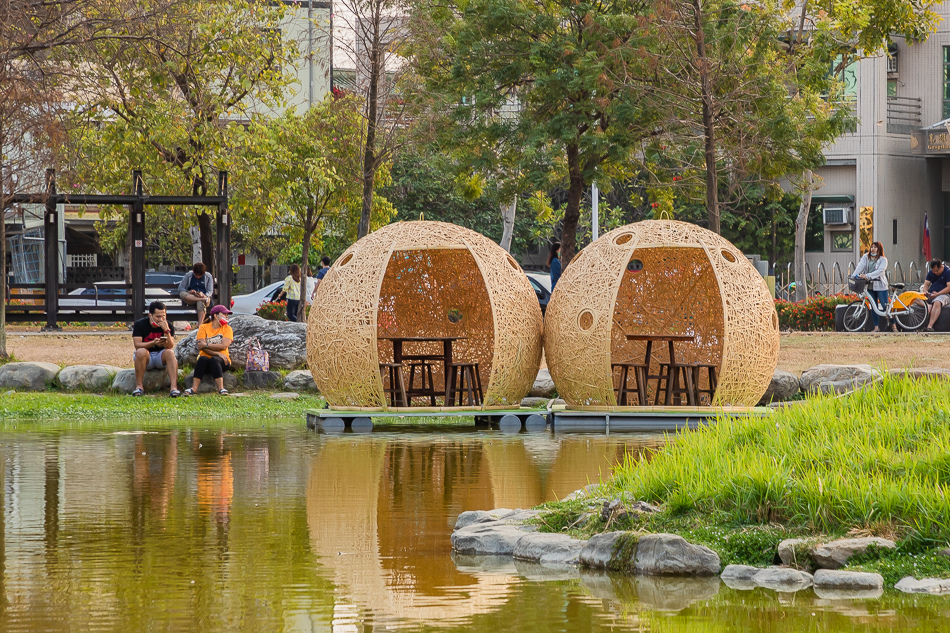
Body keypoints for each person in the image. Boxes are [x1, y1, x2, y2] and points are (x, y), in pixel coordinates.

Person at [132, 300, 180, 397]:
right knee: (141, 351)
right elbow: (137, 345)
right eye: (158, 316)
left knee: (170, 353)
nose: (161, 319)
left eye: (163, 316)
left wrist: (166, 331)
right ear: (150, 315)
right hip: (146, 357)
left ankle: (174, 388)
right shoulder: (140, 324)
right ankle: (139, 387)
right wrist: (153, 343)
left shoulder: (168, 325)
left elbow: (170, 346)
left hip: (160, 356)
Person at [184, 305, 233, 396]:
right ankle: (193, 389)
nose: (227, 317)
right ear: (215, 315)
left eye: (227, 315)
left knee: (214, 360)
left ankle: (221, 389)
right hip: (206, 361)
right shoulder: (204, 327)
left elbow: (224, 345)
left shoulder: (227, 328)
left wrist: (206, 345)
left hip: (223, 362)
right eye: (224, 314)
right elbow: (201, 347)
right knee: (203, 359)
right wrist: (218, 353)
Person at [853, 241, 891, 332]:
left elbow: (880, 271)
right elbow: (860, 266)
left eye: (875, 247)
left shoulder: (883, 260)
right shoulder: (866, 257)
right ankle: (876, 327)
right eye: (872, 247)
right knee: (873, 306)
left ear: (879, 249)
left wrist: (867, 276)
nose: (873, 249)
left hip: (880, 286)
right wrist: (854, 276)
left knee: (885, 306)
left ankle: (893, 325)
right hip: (870, 285)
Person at [922, 259, 950, 332]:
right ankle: (928, 305)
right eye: (934, 271)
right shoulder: (931, 273)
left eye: (937, 271)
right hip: (931, 293)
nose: (935, 273)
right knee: (915, 297)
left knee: (937, 302)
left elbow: (949, 287)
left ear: (941, 267)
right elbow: (926, 284)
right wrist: (926, 292)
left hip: (943, 295)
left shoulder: (947, 272)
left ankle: (930, 326)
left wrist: (937, 294)